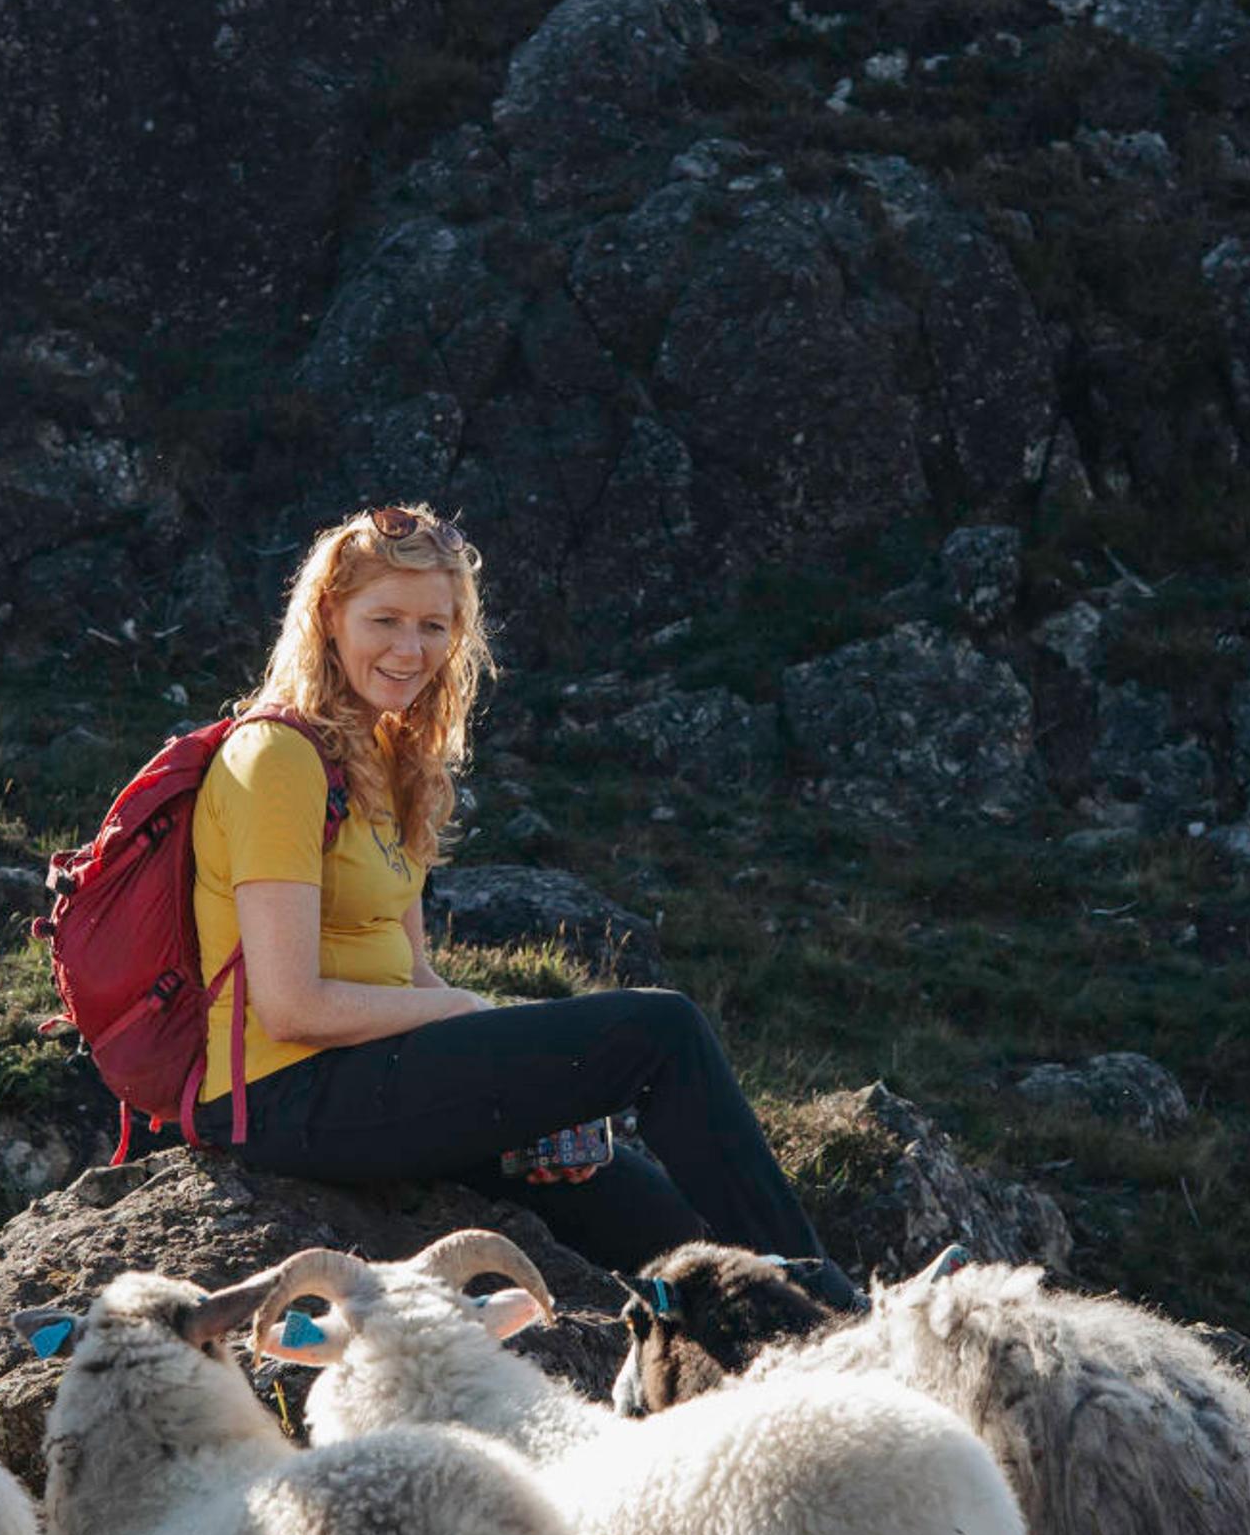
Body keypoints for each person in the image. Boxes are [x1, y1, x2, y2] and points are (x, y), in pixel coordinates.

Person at [191, 505, 849, 1286]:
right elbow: (291, 1005)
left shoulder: (383, 759)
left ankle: (767, 1317)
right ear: (329, 617)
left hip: (373, 1078)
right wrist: (467, 1014)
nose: (410, 649)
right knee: (662, 1030)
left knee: (671, 1223)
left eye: (434, 627)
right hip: (282, 1100)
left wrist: (534, 1096)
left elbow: (412, 974)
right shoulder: (278, 756)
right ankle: (830, 1301)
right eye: (385, 620)